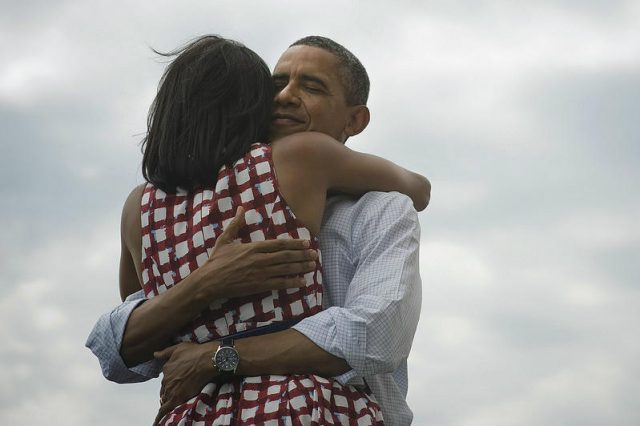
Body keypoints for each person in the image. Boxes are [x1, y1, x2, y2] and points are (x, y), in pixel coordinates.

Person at [87, 35, 426, 426]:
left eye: (311, 86)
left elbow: (374, 335)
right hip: (301, 407)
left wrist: (215, 353)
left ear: (354, 120)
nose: (284, 97)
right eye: (275, 85)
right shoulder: (293, 163)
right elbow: (128, 341)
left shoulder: (141, 207)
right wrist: (208, 281)